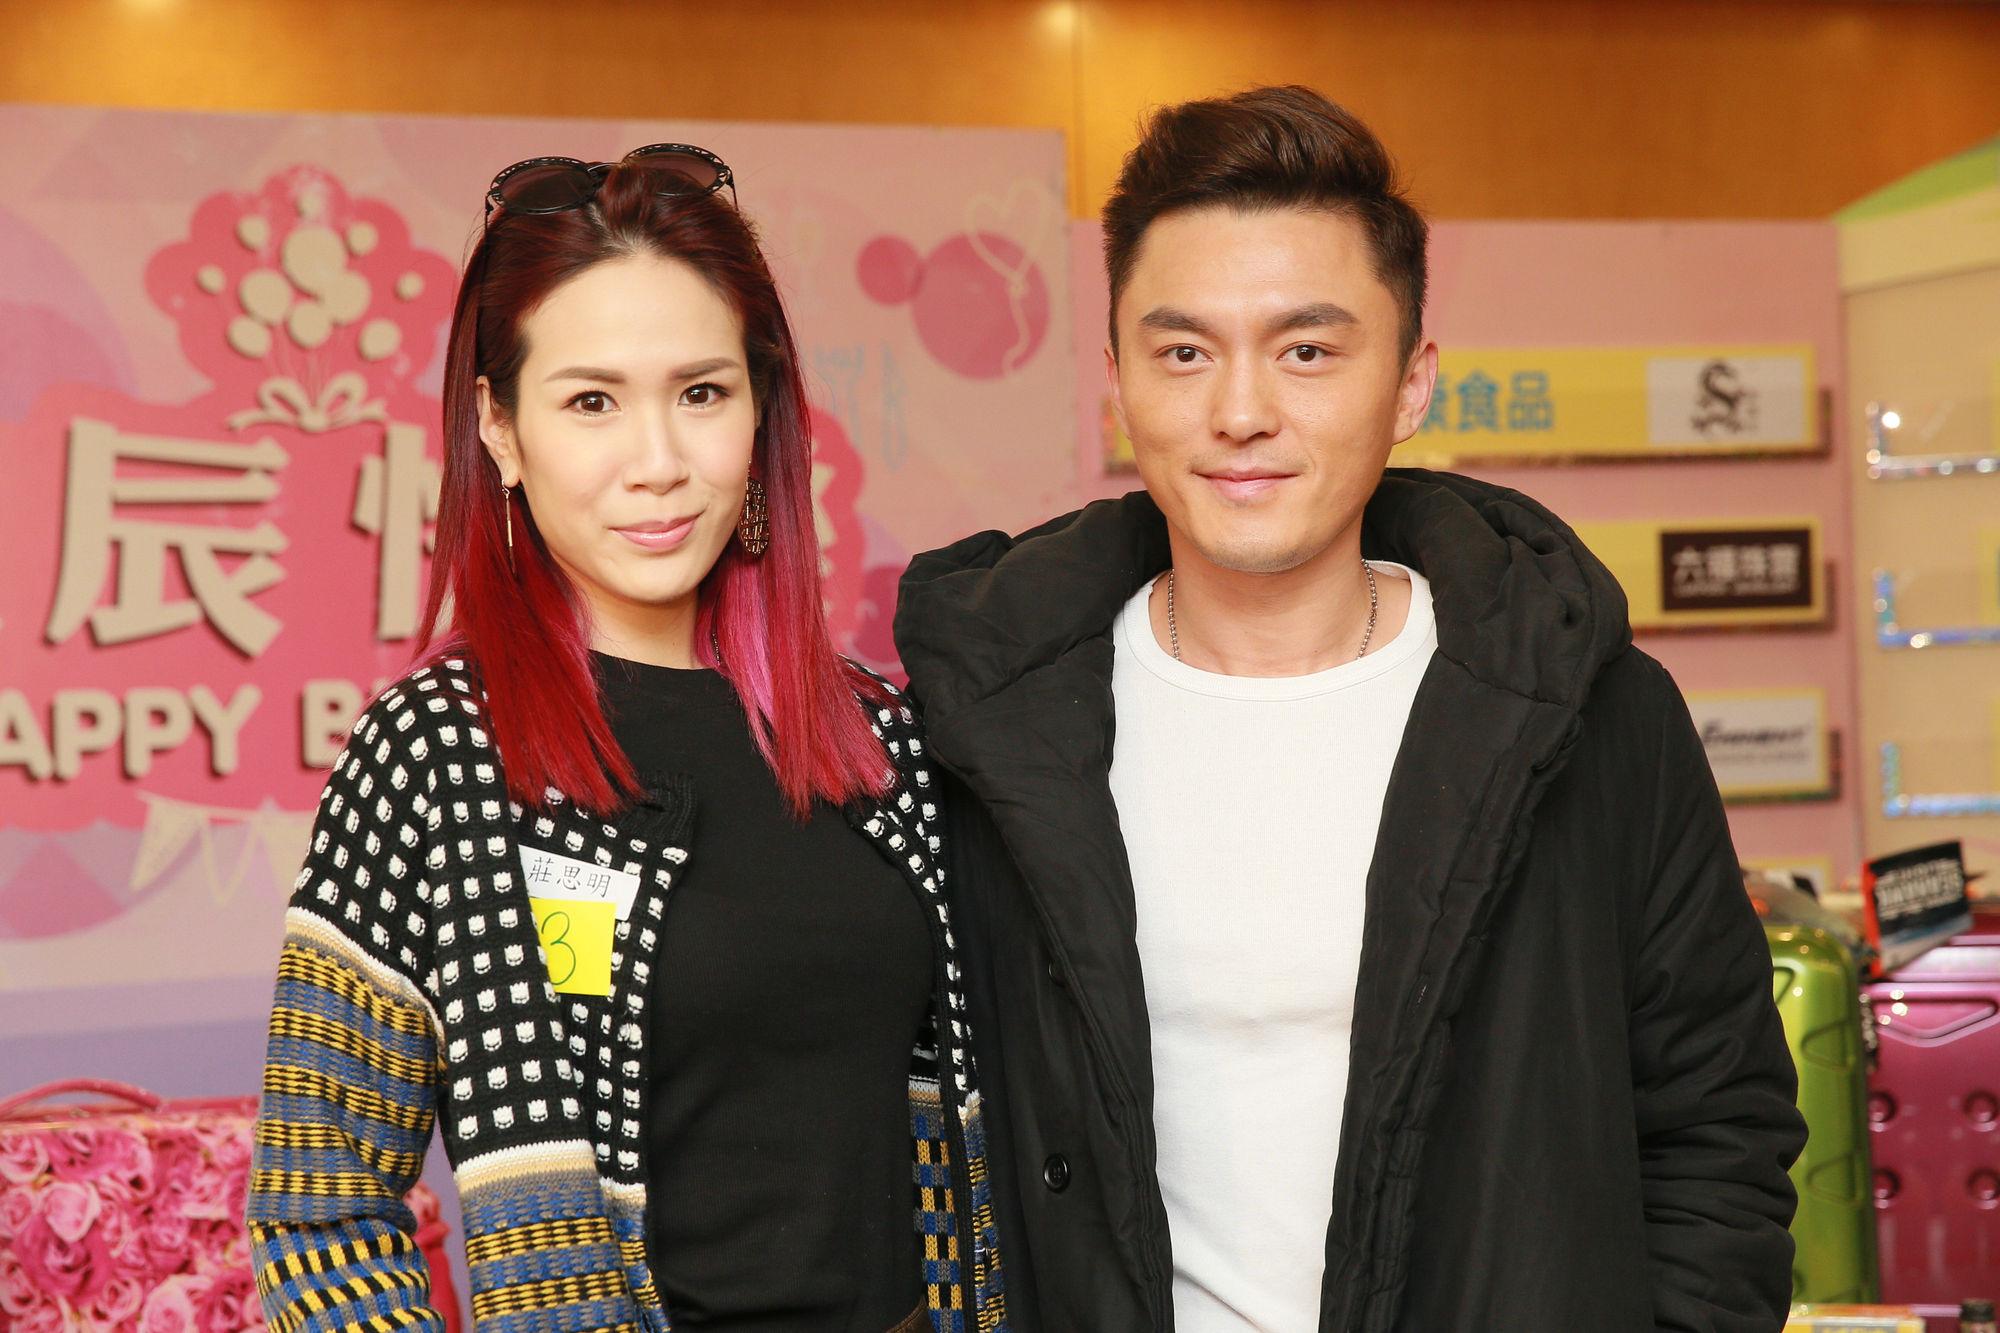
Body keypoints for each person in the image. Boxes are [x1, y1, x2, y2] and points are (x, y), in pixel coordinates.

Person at [894, 87, 1803, 1333]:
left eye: (1306, 351)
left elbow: (1716, 1124)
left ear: (1411, 382)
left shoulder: (1584, 715)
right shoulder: (994, 724)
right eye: (1182, 352)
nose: (1239, 411)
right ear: (1114, 381)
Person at [248, 145, 1006, 1333]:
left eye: (700, 393)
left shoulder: (880, 738)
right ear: (499, 428)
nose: (658, 464)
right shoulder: (435, 758)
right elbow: (318, 1214)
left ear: (760, 410)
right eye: (591, 401)